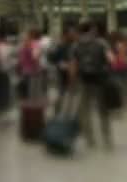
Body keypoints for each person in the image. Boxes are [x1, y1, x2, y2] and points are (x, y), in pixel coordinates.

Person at [69, 21, 114, 150]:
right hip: (100, 80)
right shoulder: (102, 43)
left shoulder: (76, 45)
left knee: (85, 110)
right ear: (92, 29)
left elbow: (73, 65)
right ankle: (107, 139)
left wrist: (71, 81)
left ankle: (90, 139)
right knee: (103, 110)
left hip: (83, 81)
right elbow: (111, 60)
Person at [48, 27, 77, 113]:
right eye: (71, 33)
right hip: (62, 74)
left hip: (74, 74)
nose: (73, 35)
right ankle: (58, 111)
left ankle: (69, 113)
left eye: (74, 33)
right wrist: (61, 64)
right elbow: (51, 58)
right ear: (66, 35)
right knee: (61, 93)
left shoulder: (75, 45)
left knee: (72, 95)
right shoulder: (59, 45)